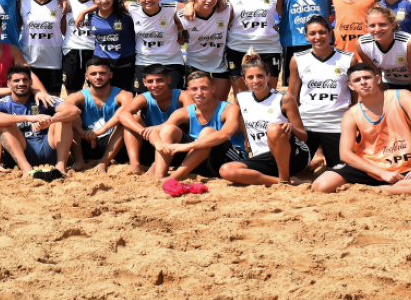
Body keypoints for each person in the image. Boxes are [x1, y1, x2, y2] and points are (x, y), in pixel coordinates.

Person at [312, 63, 411, 194]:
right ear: (351, 86)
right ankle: (390, 188)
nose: (363, 82)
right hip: (372, 167)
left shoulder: (401, 96)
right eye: (357, 80)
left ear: (378, 79)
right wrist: (381, 173)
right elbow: (345, 154)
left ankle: (373, 190)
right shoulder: (351, 115)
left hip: (409, 164)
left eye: (367, 77)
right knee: (321, 186)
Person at [219, 55, 310, 186]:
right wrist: (246, 139)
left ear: (268, 76)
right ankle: (282, 182)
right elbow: (244, 122)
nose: (256, 80)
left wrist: (290, 127)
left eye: (260, 76)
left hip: (292, 156)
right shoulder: (241, 99)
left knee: (273, 128)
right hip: (263, 157)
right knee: (226, 170)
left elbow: (304, 136)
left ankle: (284, 178)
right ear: (244, 80)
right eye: (250, 77)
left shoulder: (284, 99)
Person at [151, 71, 245, 183]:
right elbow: (155, 131)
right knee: (168, 130)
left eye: (204, 88)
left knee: (207, 132)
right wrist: (158, 144)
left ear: (213, 89)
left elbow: (225, 134)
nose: (199, 93)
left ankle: (173, 178)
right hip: (196, 161)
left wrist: (187, 146)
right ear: (189, 91)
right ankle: (159, 176)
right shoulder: (185, 112)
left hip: (226, 161)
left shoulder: (229, 109)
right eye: (194, 89)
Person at [0, 64, 79, 177]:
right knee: (4, 123)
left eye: (25, 80)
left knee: (64, 118)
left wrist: (51, 120)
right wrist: (30, 118)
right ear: (9, 84)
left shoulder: (43, 99)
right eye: (16, 81)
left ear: (30, 82)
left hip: (49, 147)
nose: (21, 83)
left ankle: (60, 168)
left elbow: (74, 110)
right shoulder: (2, 103)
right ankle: (27, 170)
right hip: (22, 151)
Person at [285, 15, 353, 168]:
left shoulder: (348, 59)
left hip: (336, 125)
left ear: (330, 33)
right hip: (307, 124)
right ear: (306, 36)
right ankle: (315, 158)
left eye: (322, 32)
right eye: (312, 33)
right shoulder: (298, 59)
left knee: (341, 170)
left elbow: (355, 98)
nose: (318, 37)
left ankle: (321, 159)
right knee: (292, 169)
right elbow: (291, 96)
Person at [224, 0, 283, 92]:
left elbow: (285, 16)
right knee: (242, 98)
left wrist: (279, 26)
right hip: (238, 47)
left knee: (268, 95)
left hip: (268, 48)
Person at [118, 64, 193, 175]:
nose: (155, 85)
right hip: (153, 144)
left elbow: (190, 116)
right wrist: (144, 132)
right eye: (150, 81)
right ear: (144, 82)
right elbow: (123, 115)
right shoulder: (143, 98)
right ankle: (135, 165)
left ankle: (158, 165)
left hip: (176, 146)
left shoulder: (182, 95)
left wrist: (157, 129)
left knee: (170, 129)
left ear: (168, 79)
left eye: (159, 80)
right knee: (133, 118)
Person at [63, 60, 133, 172]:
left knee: (127, 121)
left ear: (111, 75)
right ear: (86, 76)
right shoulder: (78, 95)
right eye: (93, 74)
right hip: (86, 141)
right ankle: (79, 160)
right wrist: (82, 132)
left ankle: (104, 161)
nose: (98, 77)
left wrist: (101, 130)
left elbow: (127, 109)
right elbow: (66, 108)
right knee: (68, 117)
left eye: (102, 73)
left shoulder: (123, 94)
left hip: (113, 144)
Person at [76, 0, 136, 92]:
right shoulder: (90, 17)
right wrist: (83, 12)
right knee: (101, 96)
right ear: (93, 1)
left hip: (125, 62)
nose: (104, 1)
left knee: (126, 97)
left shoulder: (127, 16)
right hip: (101, 62)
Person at [177, 0, 231, 100]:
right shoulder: (184, 16)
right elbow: (170, 32)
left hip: (220, 65)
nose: (209, 0)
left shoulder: (225, 10)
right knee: (197, 103)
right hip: (195, 63)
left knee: (219, 103)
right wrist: (179, 38)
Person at [17, 0, 66, 96]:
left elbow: (65, 31)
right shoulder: (22, 3)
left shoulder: (61, 4)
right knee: (29, 100)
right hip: (29, 60)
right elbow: (16, 28)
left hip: (53, 61)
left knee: (52, 101)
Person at [128, 0, 185, 91]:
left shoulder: (172, 8)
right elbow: (111, 3)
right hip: (144, 62)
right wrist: (84, 13)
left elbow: (195, 8)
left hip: (171, 62)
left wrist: (180, 29)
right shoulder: (132, 9)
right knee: (145, 102)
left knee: (174, 100)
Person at [354, 5, 411, 95]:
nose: (377, 29)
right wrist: (382, 100)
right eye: (372, 26)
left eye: (382, 24)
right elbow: (376, 75)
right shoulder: (362, 44)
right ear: (367, 27)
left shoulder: (410, 43)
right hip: (389, 83)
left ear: (393, 25)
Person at [62, 0, 96, 94]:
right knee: (72, 89)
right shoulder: (67, 1)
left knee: (97, 88)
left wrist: (85, 11)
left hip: (95, 51)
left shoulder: (99, 1)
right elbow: (63, 27)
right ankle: (75, 113)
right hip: (71, 51)